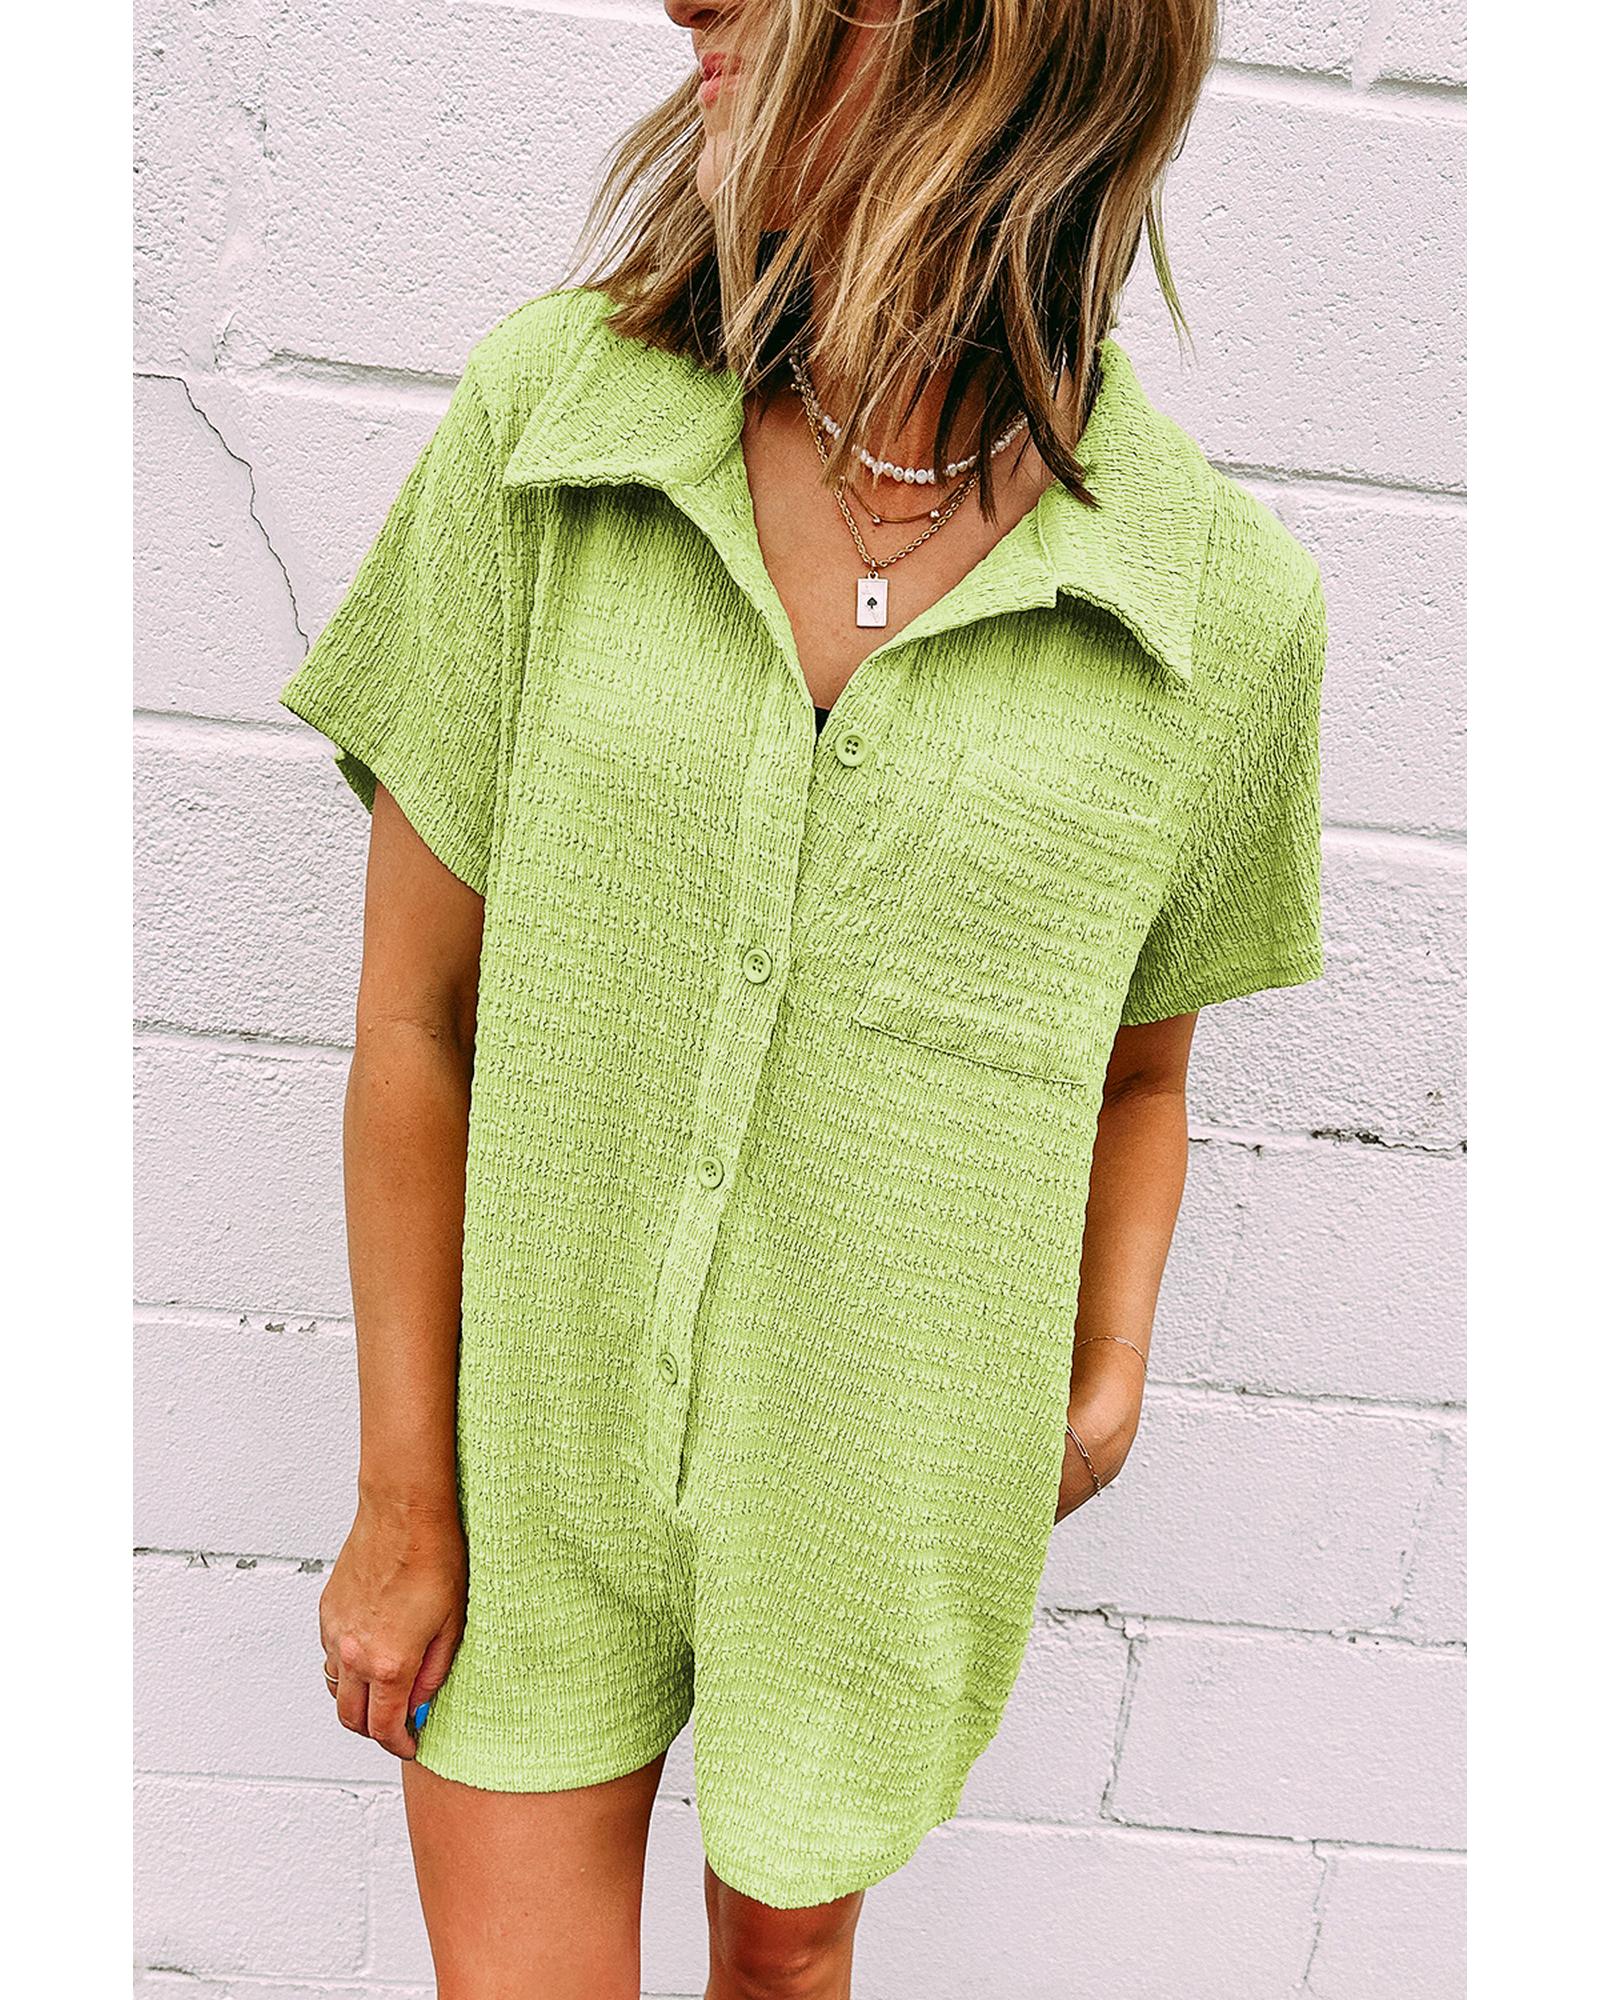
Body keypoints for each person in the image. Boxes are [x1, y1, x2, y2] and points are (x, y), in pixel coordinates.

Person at [276, 1, 1326, 1993]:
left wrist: (1106, 1368)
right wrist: (402, 1496)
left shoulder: (1220, 609)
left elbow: (1141, 1071)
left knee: (785, 1971)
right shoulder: (551, 425)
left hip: (874, 1504)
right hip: (528, 1478)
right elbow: (416, 1016)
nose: (685, 2)